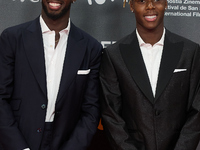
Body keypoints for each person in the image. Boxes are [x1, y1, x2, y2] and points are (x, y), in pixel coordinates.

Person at [0, 0, 102, 149]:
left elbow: (91, 111)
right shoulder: (12, 38)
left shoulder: (91, 47)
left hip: (65, 142)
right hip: (18, 140)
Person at [100, 0, 200, 149]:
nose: (150, 6)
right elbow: (111, 115)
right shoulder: (114, 55)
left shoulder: (190, 52)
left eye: (157, 0)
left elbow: (197, 110)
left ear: (166, 3)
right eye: (142, 1)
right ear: (132, 6)